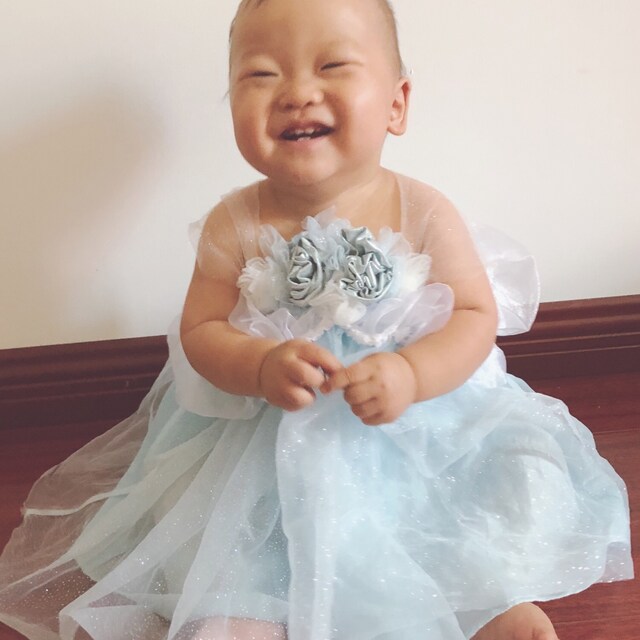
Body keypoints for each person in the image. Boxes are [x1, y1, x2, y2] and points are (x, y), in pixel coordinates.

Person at [0, 0, 632, 639]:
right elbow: (201, 331)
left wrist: (414, 374)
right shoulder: (233, 223)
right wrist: (258, 364)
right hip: (269, 445)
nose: (297, 92)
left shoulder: (421, 209)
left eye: (332, 66)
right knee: (248, 540)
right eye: (261, 75)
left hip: (413, 431)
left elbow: (474, 314)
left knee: (461, 506)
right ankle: (247, 611)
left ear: (396, 104)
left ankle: (483, 602)